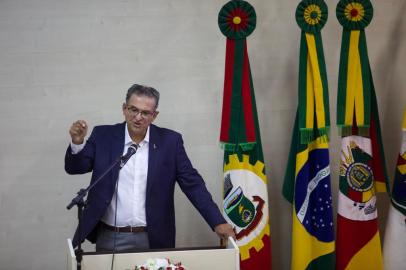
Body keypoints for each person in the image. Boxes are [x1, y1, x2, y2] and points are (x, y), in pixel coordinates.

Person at [65, 84, 235, 251]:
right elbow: (76, 168)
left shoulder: (170, 142)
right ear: (124, 108)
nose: (138, 117)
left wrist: (217, 221)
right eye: (133, 109)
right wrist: (78, 143)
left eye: (145, 113)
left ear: (154, 115)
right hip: (111, 235)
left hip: (154, 236)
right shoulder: (104, 136)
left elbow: (193, 184)